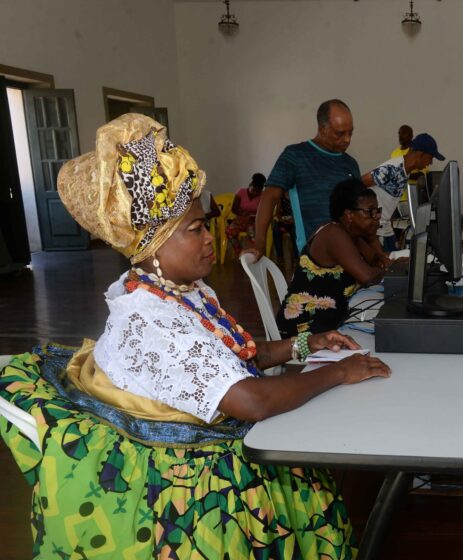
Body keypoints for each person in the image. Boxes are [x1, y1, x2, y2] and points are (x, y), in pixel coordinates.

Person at [0, 114, 392, 558]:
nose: (210, 239)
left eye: (205, 225)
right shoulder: (151, 318)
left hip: (206, 427)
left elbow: (240, 354)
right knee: (296, 467)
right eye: (196, 230)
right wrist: (338, 374)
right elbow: (251, 400)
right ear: (152, 247)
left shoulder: (179, 289)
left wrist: (308, 343)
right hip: (186, 482)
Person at [277, 178, 394, 337]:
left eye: (377, 211)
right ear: (349, 215)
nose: (377, 217)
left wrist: (381, 254)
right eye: (370, 212)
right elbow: (368, 277)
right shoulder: (333, 234)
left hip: (329, 321)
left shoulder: (353, 235)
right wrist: (396, 270)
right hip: (305, 328)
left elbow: (376, 259)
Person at [248, 99, 359, 259]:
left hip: (350, 254)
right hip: (315, 258)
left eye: (350, 133)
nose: (347, 139)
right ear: (322, 129)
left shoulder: (350, 164)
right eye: (340, 133)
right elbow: (269, 197)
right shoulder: (295, 156)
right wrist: (260, 242)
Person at [361, 133, 445, 252]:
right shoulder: (393, 169)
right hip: (375, 232)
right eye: (430, 158)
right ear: (421, 154)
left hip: (386, 229)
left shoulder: (405, 172)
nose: (430, 163)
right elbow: (359, 184)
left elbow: (387, 203)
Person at [225, 172, 265, 255]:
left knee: (252, 234)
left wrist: (253, 216)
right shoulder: (241, 192)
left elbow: (262, 212)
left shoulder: (262, 196)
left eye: (257, 192)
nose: (255, 193)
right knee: (229, 231)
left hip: (253, 222)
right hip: (240, 220)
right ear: (250, 185)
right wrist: (243, 214)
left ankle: (252, 255)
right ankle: (240, 252)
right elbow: (234, 209)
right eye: (253, 190)